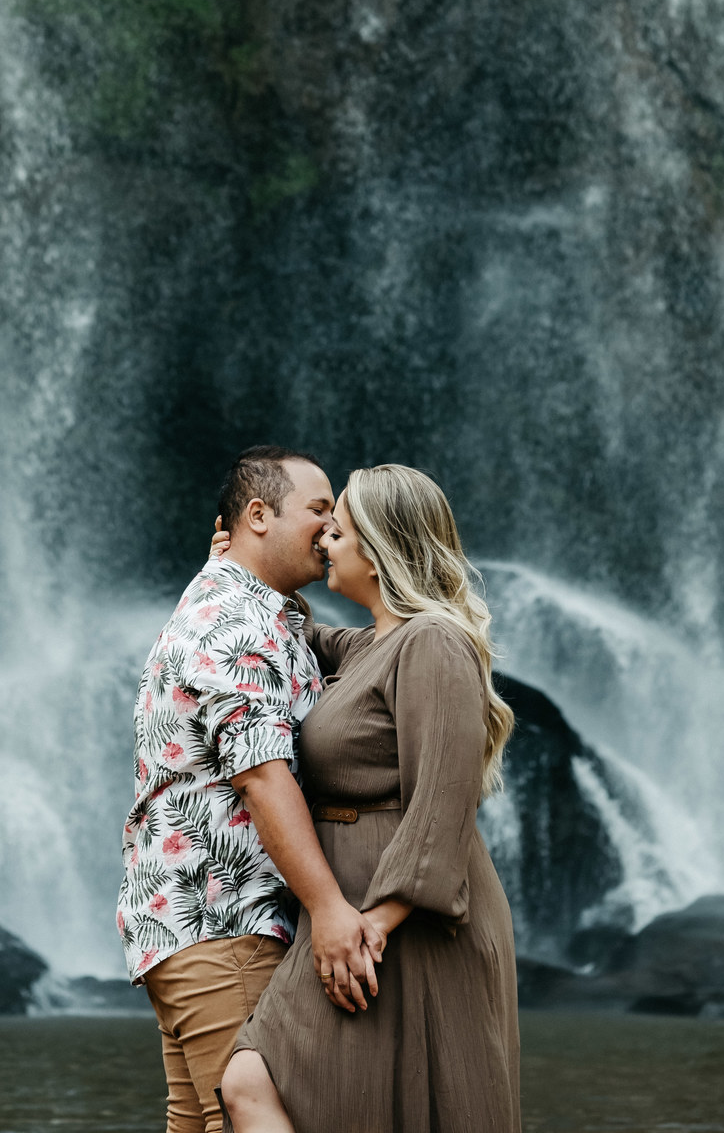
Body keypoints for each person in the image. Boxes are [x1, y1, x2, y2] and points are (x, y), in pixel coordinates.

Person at [219, 464, 521, 1133]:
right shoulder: (370, 647)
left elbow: (444, 801)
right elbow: (297, 633)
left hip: (403, 921)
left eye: (339, 531)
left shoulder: (432, 641)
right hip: (354, 911)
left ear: (380, 550)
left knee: (252, 1082)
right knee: (278, 1089)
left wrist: (372, 926)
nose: (325, 540)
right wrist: (241, 570)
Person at [118, 446, 385, 1133]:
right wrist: (327, 907)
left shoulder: (253, 610)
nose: (332, 529)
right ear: (259, 515)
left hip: (191, 925)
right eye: (319, 510)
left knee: (207, 1121)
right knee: (257, 1116)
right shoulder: (237, 623)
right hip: (228, 921)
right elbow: (262, 776)